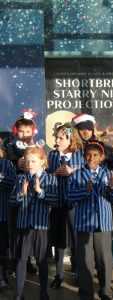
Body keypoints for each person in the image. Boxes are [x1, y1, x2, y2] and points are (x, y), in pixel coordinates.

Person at [67, 140, 113, 300]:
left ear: (102, 157)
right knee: (85, 261)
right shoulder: (76, 174)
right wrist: (84, 191)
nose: (91, 158)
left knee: (105, 259)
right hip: (84, 225)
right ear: (84, 156)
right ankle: (85, 293)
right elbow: (69, 197)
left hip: (103, 224)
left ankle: (106, 291)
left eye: (95, 155)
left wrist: (112, 188)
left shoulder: (108, 174)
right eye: (88, 155)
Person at [9, 146, 58, 300]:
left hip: (41, 226)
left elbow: (56, 200)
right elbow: (11, 201)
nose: (29, 164)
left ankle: (43, 293)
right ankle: (19, 293)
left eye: (33, 161)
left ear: (42, 161)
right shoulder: (20, 178)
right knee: (22, 259)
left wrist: (40, 191)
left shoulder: (50, 178)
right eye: (27, 161)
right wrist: (21, 194)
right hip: (23, 225)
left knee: (42, 260)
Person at [6, 110, 44, 275]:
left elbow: (44, 167)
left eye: (27, 132)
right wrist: (17, 164)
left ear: (33, 132)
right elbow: (7, 169)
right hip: (17, 193)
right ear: (16, 131)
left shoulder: (37, 149)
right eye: (21, 131)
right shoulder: (10, 149)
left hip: (33, 196)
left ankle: (28, 261)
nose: (24, 135)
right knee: (16, 230)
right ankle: (16, 261)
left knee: (30, 230)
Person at [48, 123, 85, 288]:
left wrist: (72, 173)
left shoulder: (81, 155)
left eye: (61, 138)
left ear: (71, 139)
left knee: (76, 239)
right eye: (56, 137)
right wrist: (53, 175)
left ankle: (78, 273)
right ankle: (59, 274)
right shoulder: (52, 156)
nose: (57, 140)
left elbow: (86, 177)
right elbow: (46, 176)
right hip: (57, 203)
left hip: (74, 205)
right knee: (59, 240)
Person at [0, 140, 16, 291]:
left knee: (3, 246)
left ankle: (3, 278)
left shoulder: (7, 164)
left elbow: (13, 184)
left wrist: (1, 178)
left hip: (3, 214)